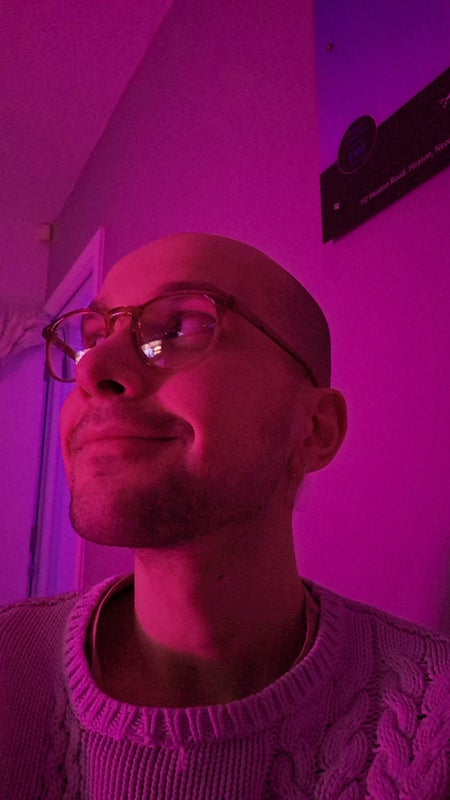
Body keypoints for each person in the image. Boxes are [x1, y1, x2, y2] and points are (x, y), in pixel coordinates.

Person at [1, 232, 449, 799]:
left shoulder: (433, 723)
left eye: (180, 328)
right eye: (92, 340)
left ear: (315, 429)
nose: (94, 371)